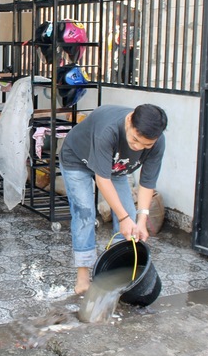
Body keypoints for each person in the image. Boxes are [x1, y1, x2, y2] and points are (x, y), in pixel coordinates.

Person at [59, 104, 168, 295]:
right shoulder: (108, 131)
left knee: (130, 216)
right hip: (77, 159)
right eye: (135, 140)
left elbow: (147, 182)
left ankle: (120, 272)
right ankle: (83, 277)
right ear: (129, 120)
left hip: (116, 167)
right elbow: (102, 180)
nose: (138, 147)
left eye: (146, 145)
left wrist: (141, 220)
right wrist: (124, 219)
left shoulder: (157, 143)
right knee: (85, 213)